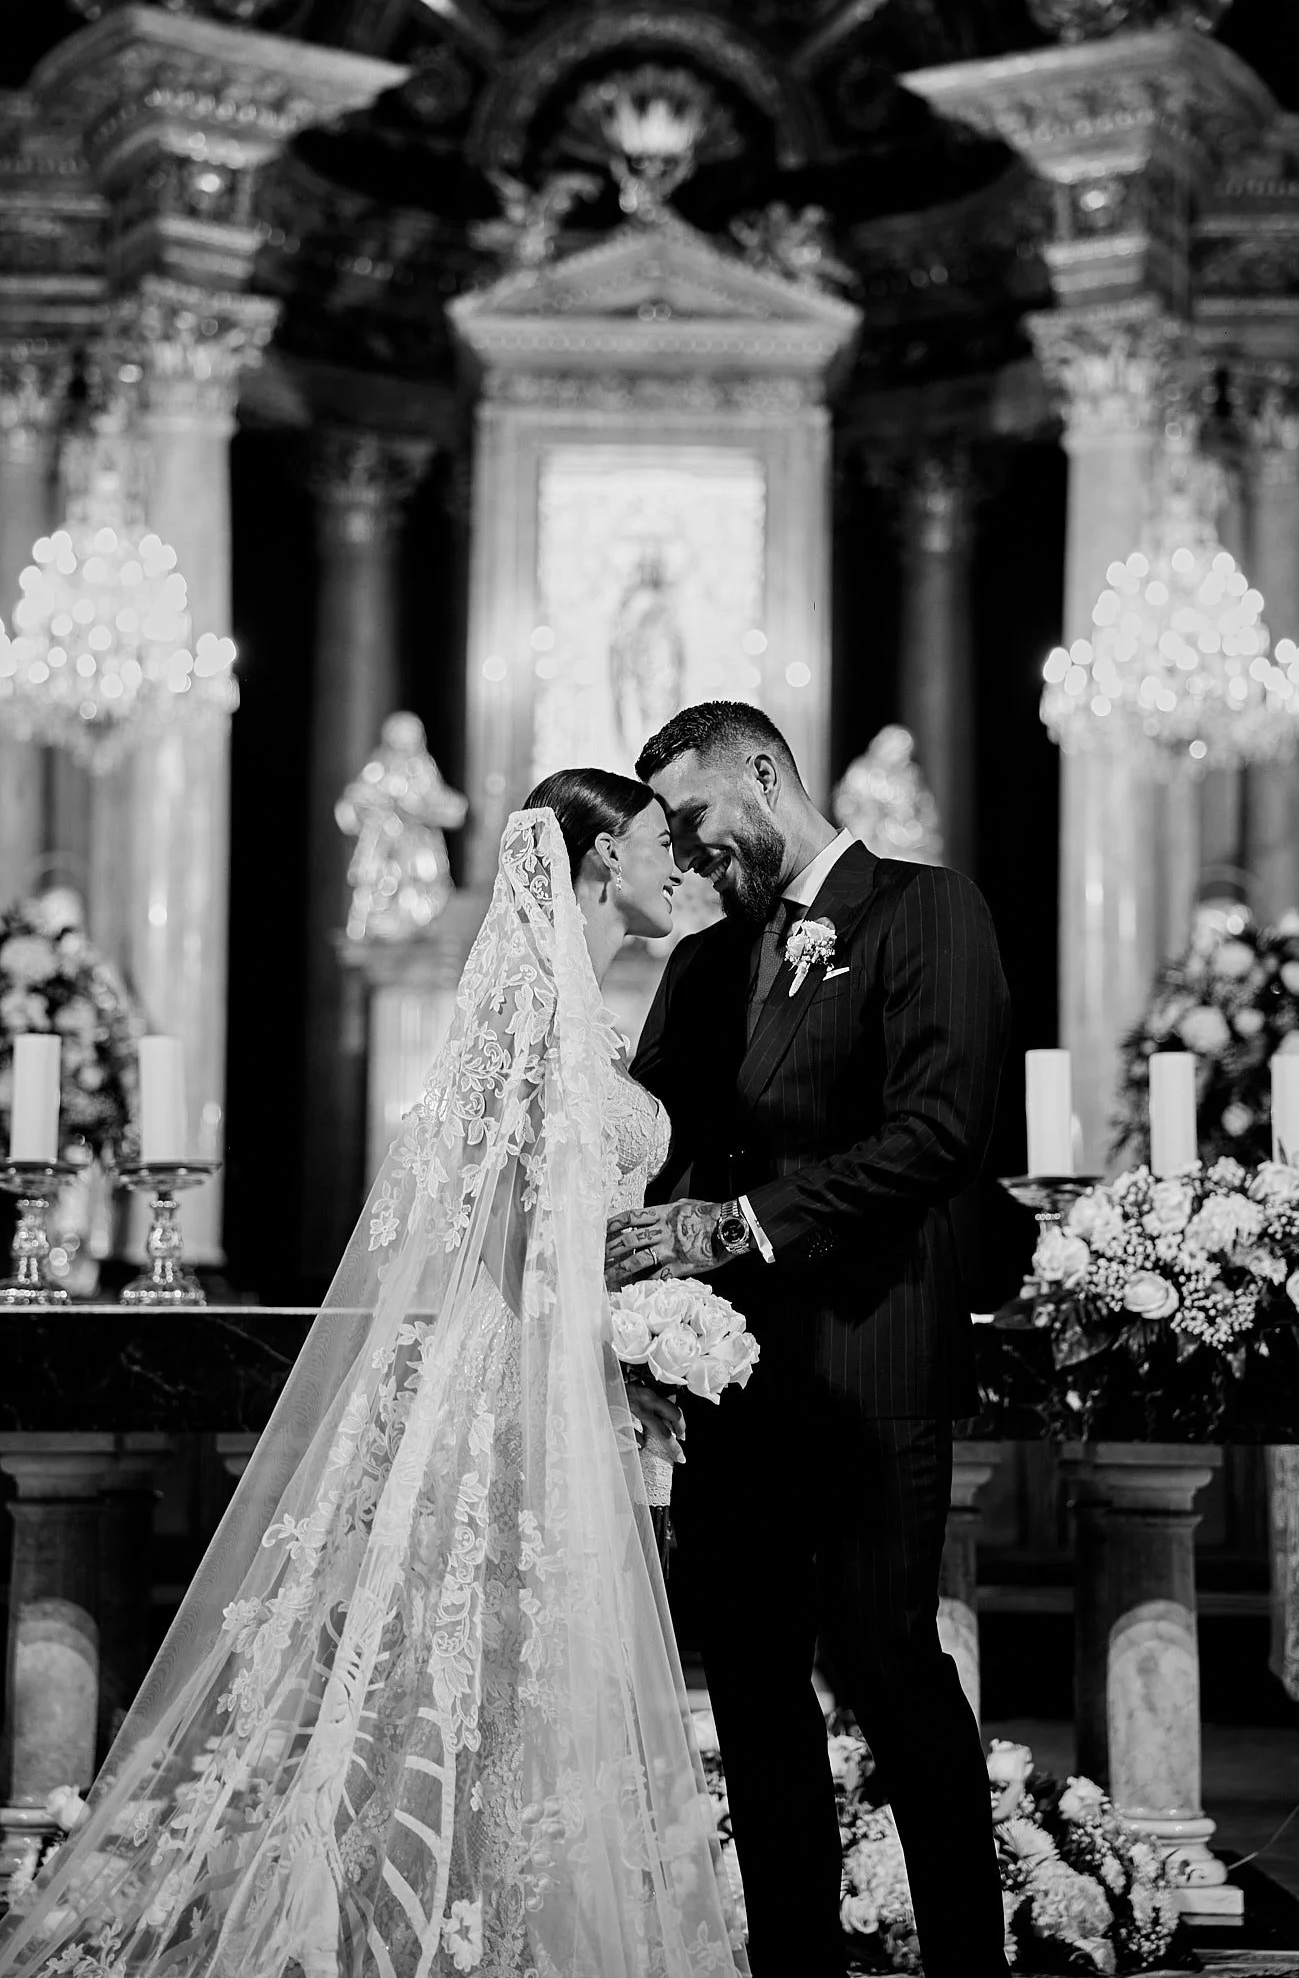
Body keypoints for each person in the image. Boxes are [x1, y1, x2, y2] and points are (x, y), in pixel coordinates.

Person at [0, 779, 746, 1978]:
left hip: (576, 1374)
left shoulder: (598, 1021)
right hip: (519, 1382)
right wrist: (615, 1335)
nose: (683, 865)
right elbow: (499, 1228)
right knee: (482, 1664)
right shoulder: (534, 1016)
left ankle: (509, 1925)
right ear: (606, 855)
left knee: (533, 1679)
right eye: (663, 843)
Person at [607, 700, 1011, 1978]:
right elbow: (651, 1148)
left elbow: (935, 1133)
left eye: (694, 815)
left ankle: (967, 1966)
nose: (682, 847)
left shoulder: (926, 909)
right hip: (724, 1380)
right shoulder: (705, 962)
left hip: (870, 1366)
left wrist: (730, 1229)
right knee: (755, 1697)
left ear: (766, 775)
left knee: (896, 1677)